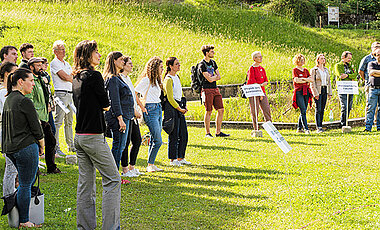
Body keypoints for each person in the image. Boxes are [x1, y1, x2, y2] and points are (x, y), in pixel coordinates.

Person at [72, 40, 121, 230]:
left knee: (86, 183)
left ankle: (84, 227)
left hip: (80, 136)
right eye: (96, 52)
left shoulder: (76, 77)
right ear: (87, 55)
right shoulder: (94, 76)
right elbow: (105, 103)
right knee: (113, 179)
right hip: (93, 135)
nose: (99, 55)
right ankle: (111, 227)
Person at [2, 68, 45, 228]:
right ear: (21, 82)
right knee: (26, 184)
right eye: (31, 80)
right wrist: (42, 146)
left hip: (11, 148)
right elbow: (36, 127)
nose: (33, 84)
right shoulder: (24, 101)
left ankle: (18, 217)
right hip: (25, 147)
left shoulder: (9, 99)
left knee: (24, 184)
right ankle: (24, 220)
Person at [26, 57, 61, 174]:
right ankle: (35, 169)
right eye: (38, 65)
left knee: (51, 141)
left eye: (42, 65)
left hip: (46, 115)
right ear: (31, 67)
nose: (41, 67)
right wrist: (35, 117)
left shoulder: (41, 79)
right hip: (37, 117)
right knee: (36, 144)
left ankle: (51, 167)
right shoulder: (31, 81)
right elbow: (30, 101)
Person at [103, 51, 134, 170]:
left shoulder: (118, 77)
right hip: (119, 117)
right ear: (114, 61)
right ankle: (113, 173)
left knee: (121, 145)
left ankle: (113, 172)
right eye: (121, 59)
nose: (123, 61)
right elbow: (114, 100)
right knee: (119, 146)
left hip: (125, 115)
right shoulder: (113, 79)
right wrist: (120, 119)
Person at [135, 56, 164, 173]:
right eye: (161, 67)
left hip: (158, 108)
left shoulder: (156, 80)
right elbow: (134, 92)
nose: (162, 70)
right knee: (158, 140)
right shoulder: (146, 80)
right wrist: (142, 107)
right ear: (155, 68)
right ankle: (150, 164)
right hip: (150, 109)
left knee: (154, 137)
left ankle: (151, 164)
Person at [163, 57, 191, 166]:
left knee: (183, 133)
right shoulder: (168, 79)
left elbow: (180, 93)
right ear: (170, 66)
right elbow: (170, 98)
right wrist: (179, 109)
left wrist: (184, 106)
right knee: (174, 134)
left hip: (179, 106)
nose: (179, 65)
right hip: (172, 108)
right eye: (176, 64)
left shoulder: (177, 77)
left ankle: (181, 157)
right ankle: (172, 159)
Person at [119, 56, 144, 177]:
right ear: (123, 65)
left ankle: (131, 166)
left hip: (133, 114)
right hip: (128, 113)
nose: (131, 65)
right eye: (129, 63)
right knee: (126, 142)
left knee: (137, 140)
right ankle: (124, 169)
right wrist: (134, 111)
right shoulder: (120, 79)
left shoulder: (128, 78)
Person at [50, 40, 75, 155]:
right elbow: (65, 77)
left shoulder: (66, 64)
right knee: (58, 121)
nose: (64, 52)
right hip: (61, 94)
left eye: (64, 49)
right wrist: (71, 77)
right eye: (61, 50)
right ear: (55, 52)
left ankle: (71, 145)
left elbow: (72, 76)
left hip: (70, 93)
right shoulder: (55, 63)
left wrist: (71, 77)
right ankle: (56, 147)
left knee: (69, 121)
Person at [200, 45, 229, 138]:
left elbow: (219, 76)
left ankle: (218, 132)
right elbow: (208, 79)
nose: (213, 53)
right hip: (206, 89)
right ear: (207, 53)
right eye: (212, 51)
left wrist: (213, 78)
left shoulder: (213, 63)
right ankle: (207, 132)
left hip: (215, 89)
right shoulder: (202, 64)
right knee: (208, 110)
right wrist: (213, 78)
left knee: (221, 109)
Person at [0, 62, 18, 196]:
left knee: (13, 166)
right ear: (7, 74)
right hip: (6, 131)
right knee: (11, 167)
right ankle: (9, 196)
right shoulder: (3, 92)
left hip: (11, 131)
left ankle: (12, 192)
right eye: (14, 72)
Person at [247, 51, 272, 131]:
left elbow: (266, 80)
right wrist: (261, 85)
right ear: (254, 59)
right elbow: (251, 81)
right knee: (255, 110)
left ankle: (270, 128)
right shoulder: (252, 68)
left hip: (262, 91)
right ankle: (256, 128)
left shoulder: (262, 69)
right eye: (259, 57)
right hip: (254, 92)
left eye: (261, 56)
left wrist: (263, 84)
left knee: (266, 109)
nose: (261, 58)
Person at [310, 54, 333, 133]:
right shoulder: (314, 70)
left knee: (322, 108)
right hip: (318, 90)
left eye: (324, 58)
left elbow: (329, 82)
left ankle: (321, 125)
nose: (323, 60)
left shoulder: (326, 70)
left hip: (324, 89)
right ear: (318, 60)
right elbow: (312, 83)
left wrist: (329, 92)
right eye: (321, 58)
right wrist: (315, 93)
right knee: (318, 108)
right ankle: (318, 126)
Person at [359, 42, 380, 123]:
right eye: (376, 46)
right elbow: (361, 71)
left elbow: (373, 72)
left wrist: (375, 73)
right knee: (370, 105)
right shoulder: (367, 59)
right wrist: (366, 80)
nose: (378, 48)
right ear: (372, 48)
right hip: (370, 84)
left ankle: (376, 121)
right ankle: (367, 121)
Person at [292, 54, 313, 134]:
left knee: (304, 110)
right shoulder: (295, 70)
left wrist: (303, 79)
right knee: (303, 109)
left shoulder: (306, 70)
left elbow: (311, 79)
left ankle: (299, 128)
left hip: (306, 91)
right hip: (299, 91)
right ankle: (306, 128)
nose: (302, 61)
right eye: (301, 60)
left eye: (303, 60)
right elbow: (296, 80)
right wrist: (306, 79)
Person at [334, 51, 357, 127]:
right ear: (343, 57)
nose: (350, 60)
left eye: (350, 58)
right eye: (348, 58)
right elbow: (340, 76)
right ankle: (342, 123)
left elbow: (355, 75)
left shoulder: (350, 66)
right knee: (344, 106)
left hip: (350, 87)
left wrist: (347, 75)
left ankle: (346, 121)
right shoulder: (338, 65)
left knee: (349, 106)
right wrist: (349, 76)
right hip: (342, 88)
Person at [364, 48, 380, 132]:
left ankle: (379, 127)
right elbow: (371, 73)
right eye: (377, 55)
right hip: (373, 89)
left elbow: (374, 73)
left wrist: (376, 73)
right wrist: (375, 72)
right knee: (371, 108)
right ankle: (368, 127)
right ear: (375, 55)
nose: (379, 56)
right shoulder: (371, 63)